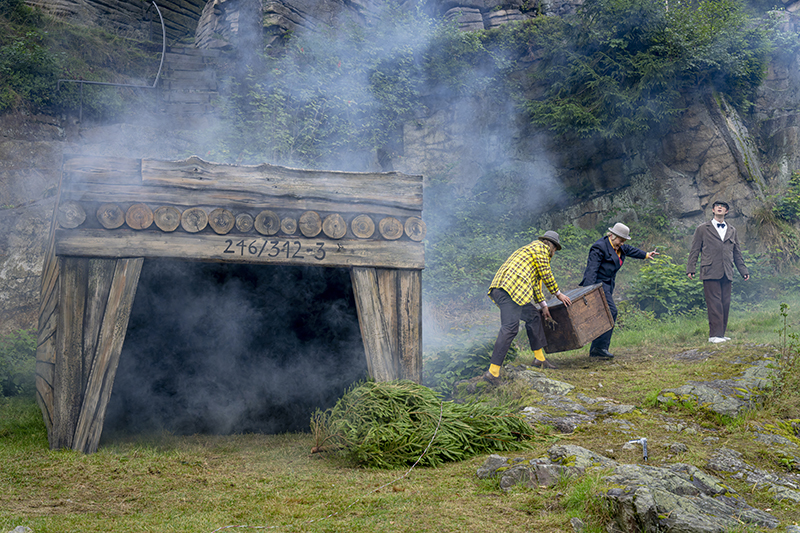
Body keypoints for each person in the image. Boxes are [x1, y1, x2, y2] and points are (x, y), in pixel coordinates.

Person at [484, 231, 572, 383]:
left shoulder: (531, 251)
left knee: (533, 316)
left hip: (509, 290)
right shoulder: (541, 249)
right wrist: (558, 294)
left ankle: (539, 359)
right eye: (555, 250)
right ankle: (493, 372)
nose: (553, 253)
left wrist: (543, 305)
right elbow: (546, 273)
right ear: (551, 246)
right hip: (510, 290)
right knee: (510, 328)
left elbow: (535, 283)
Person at [579, 223, 658, 358]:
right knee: (611, 311)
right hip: (597, 285)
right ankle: (599, 349)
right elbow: (591, 270)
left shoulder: (620, 247)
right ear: (612, 236)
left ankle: (597, 349)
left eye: (624, 241)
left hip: (608, 285)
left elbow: (630, 250)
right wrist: (588, 292)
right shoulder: (599, 247)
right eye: (620, 240)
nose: (622, 244)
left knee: (605, 314)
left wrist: (646, 254)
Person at [686, 200, 749, 343]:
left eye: (723, 207)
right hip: (710, 270)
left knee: (725, 302)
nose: (720, 208)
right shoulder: (702, 228)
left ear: (726, 211)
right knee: (714, 303)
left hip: (727, 271)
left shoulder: (732, 230)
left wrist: (743, 270)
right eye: (717, 206)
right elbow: (695, 250)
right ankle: (714, 335)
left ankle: (721, 334)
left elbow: (737, 252)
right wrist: (691, 268)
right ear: (713, 210)